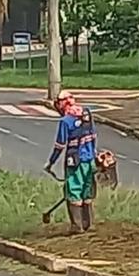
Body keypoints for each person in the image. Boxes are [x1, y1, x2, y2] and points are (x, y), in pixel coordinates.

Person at [45, 90, 98, 233]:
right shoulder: (86, 114)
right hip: (89, 159)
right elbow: (93, 136)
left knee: (74, 190)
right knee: (87, 190)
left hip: (74, 161)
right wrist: (94, 155)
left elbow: (60, 145)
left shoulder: (65, 121)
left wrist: (51, 163)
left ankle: (77, 226)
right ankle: (89, 223)